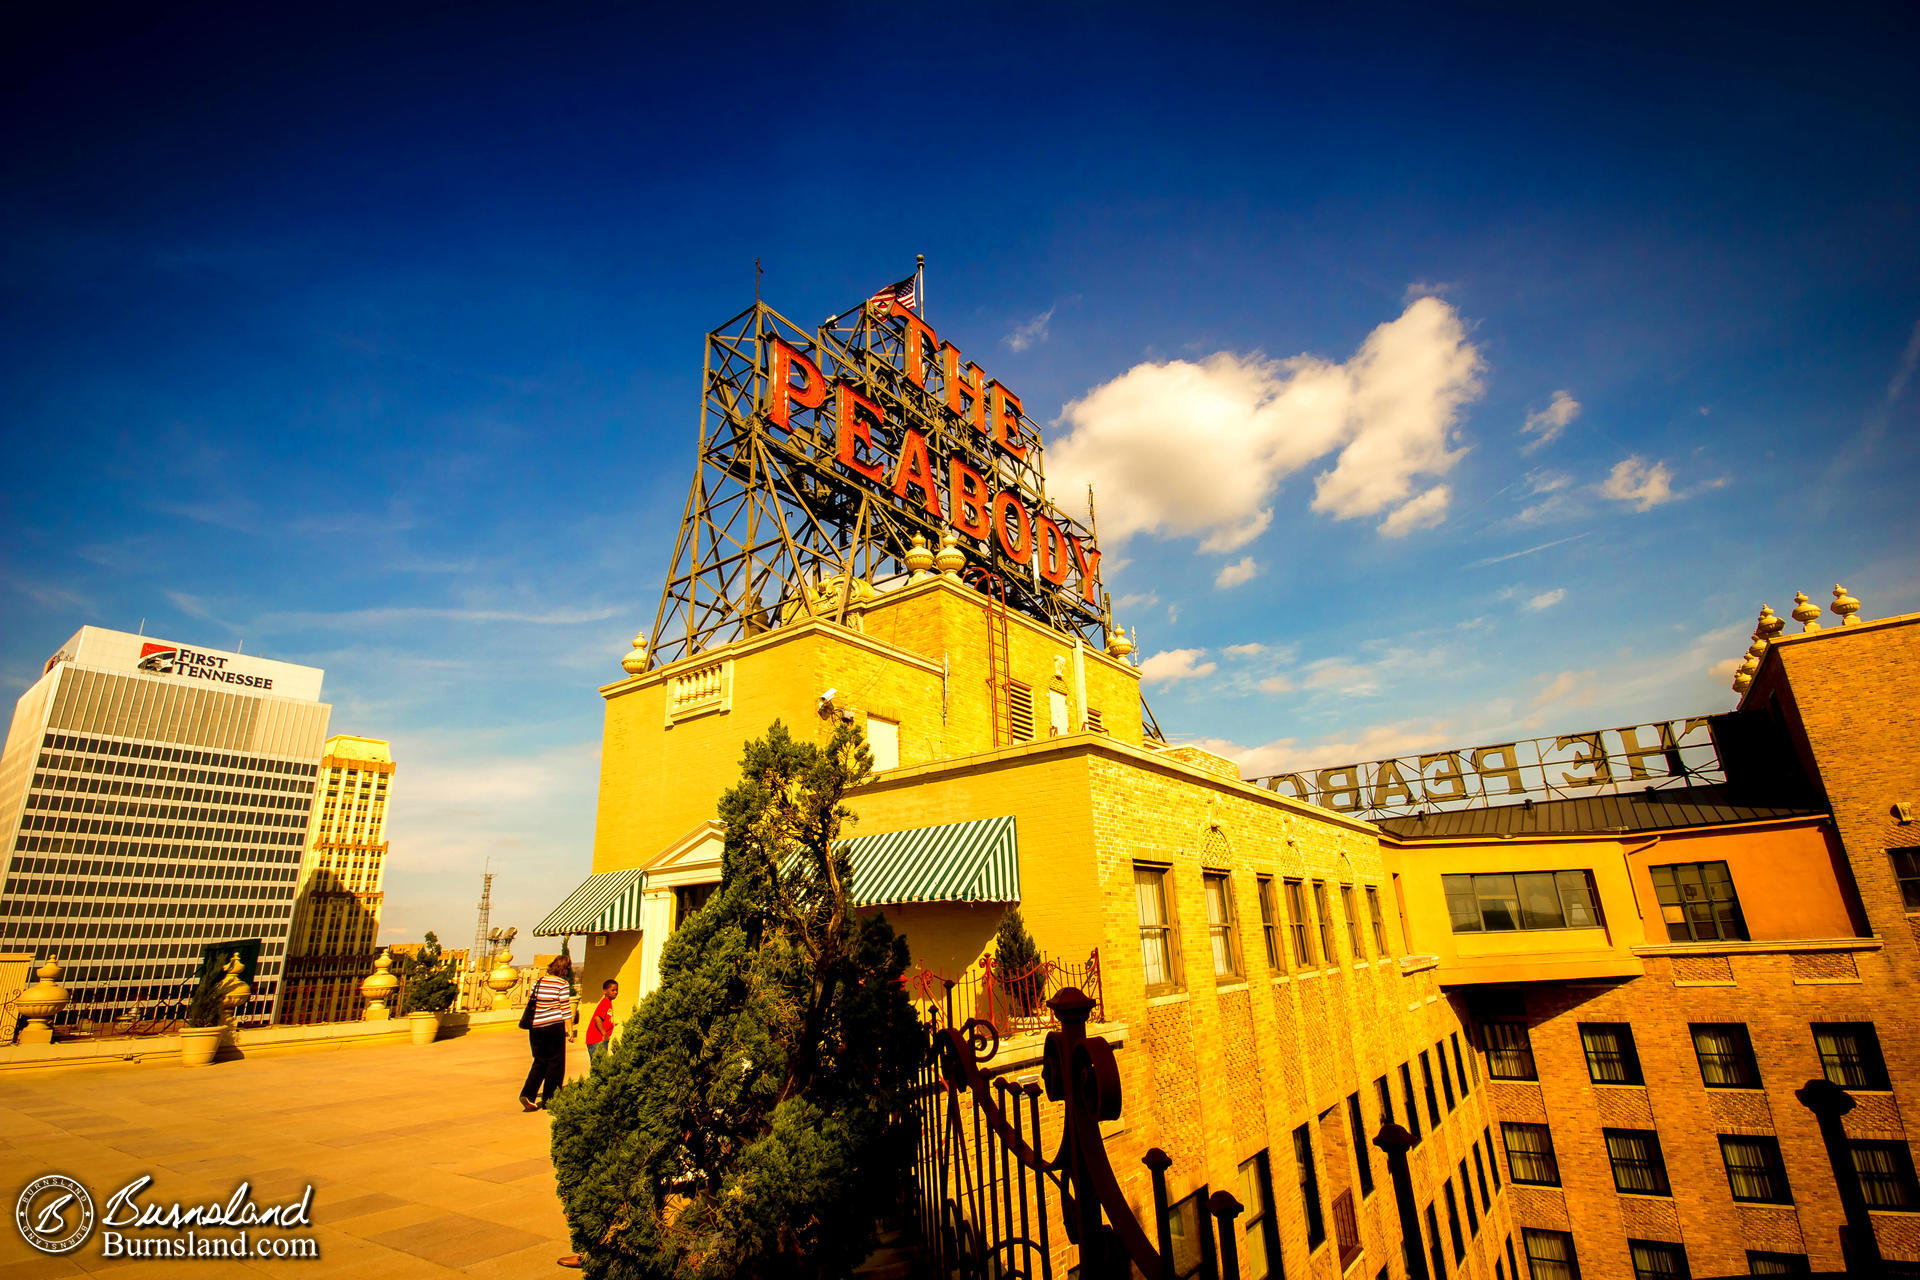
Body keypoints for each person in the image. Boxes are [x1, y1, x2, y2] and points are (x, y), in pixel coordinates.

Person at [519, 954, 574, 1111]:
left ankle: (528, 1094)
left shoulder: (538, 982)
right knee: (556, 1063)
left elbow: (532, 1001)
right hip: (553, 1026)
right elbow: (565, 1007)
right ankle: (551, 1098)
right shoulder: (562, 984)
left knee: (540, 1061)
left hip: (536, 1027)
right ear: (564, 969)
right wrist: (569, 1029)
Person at [584, 978, 618, 1066]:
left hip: (599, 1039)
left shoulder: (608, 1002)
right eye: (612, 990)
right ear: (605, 991)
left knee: (601, 1065)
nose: (615, 992)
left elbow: (604, 1018)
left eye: (616, 990)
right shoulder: (605, 1002)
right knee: (599, 1065)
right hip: (596, 1039)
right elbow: (597, 1019)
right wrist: (604, 1034)